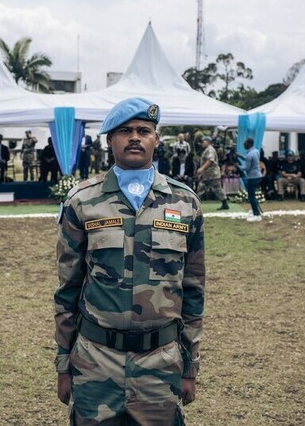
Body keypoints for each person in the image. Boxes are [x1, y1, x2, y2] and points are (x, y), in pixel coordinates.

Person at [54, 97, 204, 425]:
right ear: (109, 140)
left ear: (156, 139)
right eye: (125, 131)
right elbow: (67, 290)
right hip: (96, 362)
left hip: (161, 363)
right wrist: (64, 364)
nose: (134, 137)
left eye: (143, 131)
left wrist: (190, 367)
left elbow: (193, 292)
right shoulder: (83, 201)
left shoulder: (185, 203)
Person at [195, 136, 229, 210]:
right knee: (200, 189)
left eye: (203, 141)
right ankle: (195, 205)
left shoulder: (210, 150)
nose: (202, 143)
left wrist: (202, 168)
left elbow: (210, 160)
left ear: (208, 142)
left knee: (217, 189)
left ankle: (225, 203)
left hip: (212, 174)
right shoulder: (207, 149)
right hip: (207, 175)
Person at [242, 138, 264, 222]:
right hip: (258, 175)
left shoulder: (249, 155)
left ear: (248, 144)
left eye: (245, 143)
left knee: (251, 196)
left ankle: (256, 214)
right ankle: (256, 210)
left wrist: (238, 166)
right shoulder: (256, 151)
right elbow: (251, 160)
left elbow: (247, 168)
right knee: (253, 195)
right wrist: (240, 156)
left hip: (252, 177)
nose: (244, 145)